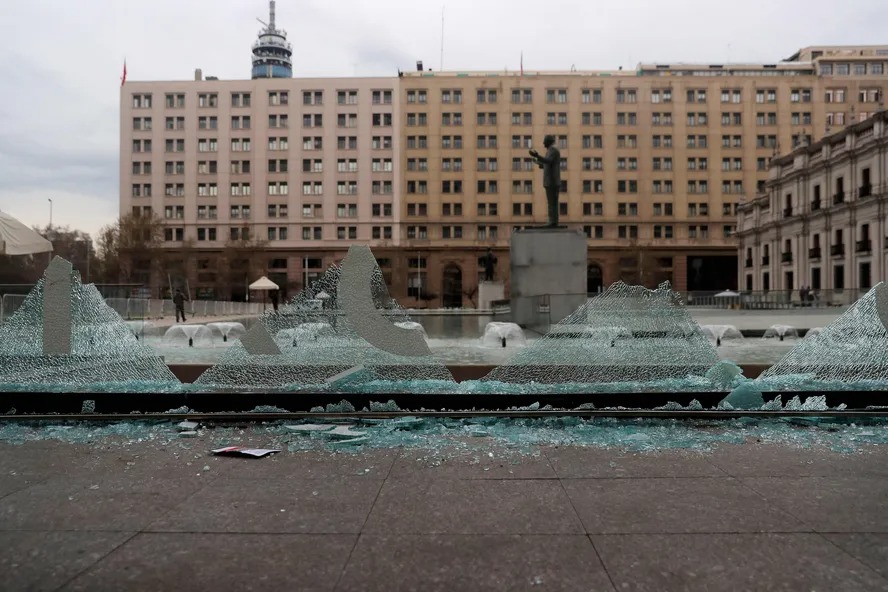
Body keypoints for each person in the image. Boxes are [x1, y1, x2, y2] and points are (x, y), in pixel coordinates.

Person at [529, 134, 562, 227]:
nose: (543, 143)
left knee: (552, 203)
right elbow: (548, 164)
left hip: (552, 181)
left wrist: (537, 155)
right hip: (550, 181)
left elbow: (548, 161)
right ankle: (552, 220)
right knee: (551, 202)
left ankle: (553, 221)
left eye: (545, 141)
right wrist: (538, 162)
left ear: (549, 141)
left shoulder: (553, 150)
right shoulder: (550, 150)